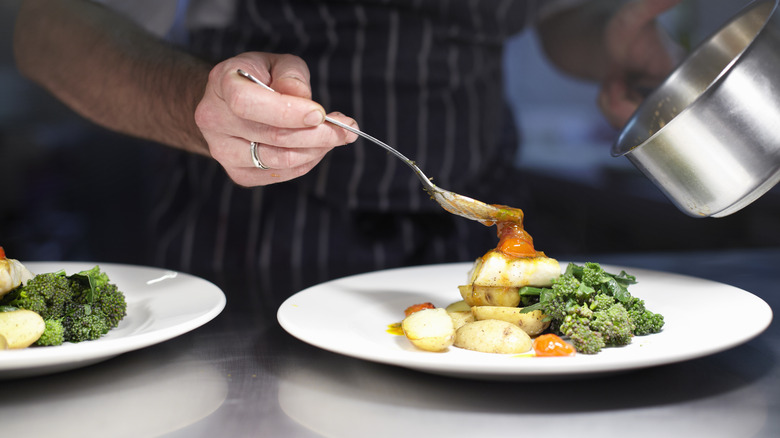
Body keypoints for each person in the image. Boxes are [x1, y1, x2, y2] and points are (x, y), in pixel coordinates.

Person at [13, 0, 682, 298]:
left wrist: (606, 39)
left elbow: (558, 19)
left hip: (474, 232)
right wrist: (197, 103)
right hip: (254, 233)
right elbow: (43, 26)